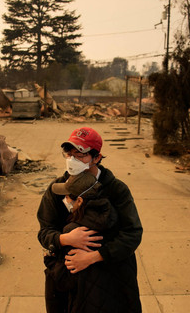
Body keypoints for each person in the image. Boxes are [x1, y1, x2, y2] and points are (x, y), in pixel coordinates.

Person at [37, 126, 143, 313]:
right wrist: (65, 239)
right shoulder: (56, 189)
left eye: (80, 155)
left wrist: (92, 257)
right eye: (69, 154)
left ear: (97, 158)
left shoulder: (116, 190)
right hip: (68, 278)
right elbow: (45, 231)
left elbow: (132, 234)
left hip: (111, 279)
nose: (72, 160)